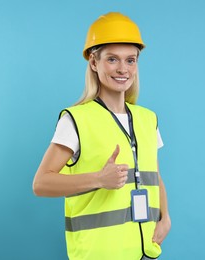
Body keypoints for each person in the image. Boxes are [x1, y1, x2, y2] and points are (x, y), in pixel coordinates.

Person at [33, 12, 171, 260]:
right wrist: (98, 179)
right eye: (112, 59)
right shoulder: (75, 120)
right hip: (98, 253)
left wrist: (165, 217)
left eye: (131, 60)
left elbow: (155, 176)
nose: (123, 69)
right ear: (94, 63)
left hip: (143, 252)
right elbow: (41, 183)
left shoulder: (148, 119)